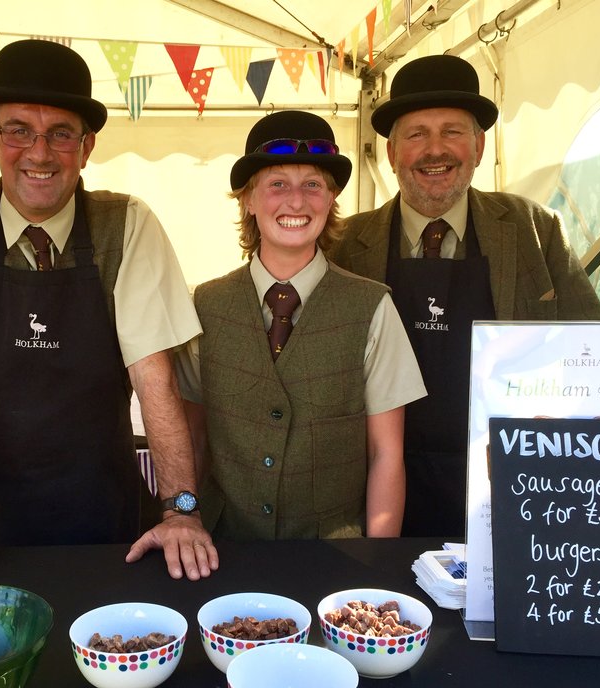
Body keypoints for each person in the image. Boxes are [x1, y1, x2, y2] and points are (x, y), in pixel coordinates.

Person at [0, 39, 217, 588]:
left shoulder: (126, 226)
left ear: (87, 147)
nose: (39, 153)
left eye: (60, 133)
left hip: (102, 513)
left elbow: (156, 381)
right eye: (18, 130)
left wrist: (180, 509)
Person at [328, 54, 600, 538]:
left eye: (452, 132)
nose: (435, 151)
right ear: (392, 153)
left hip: (507, 486)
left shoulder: (535, 231)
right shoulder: (344, 245)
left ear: (478, 146)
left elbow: (595, 350)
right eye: (416, 134)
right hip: (369, 486)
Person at [175, 111, 427, 539]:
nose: (296, 202)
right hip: (224, 549)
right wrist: (185, 518)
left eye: (313, 184)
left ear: (330, 200)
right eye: (277, 184)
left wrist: (376, 562)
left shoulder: (373, 306)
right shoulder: (204, 305)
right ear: (248, 201)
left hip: (335, 555)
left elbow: (386, 452)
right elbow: (192, 441)